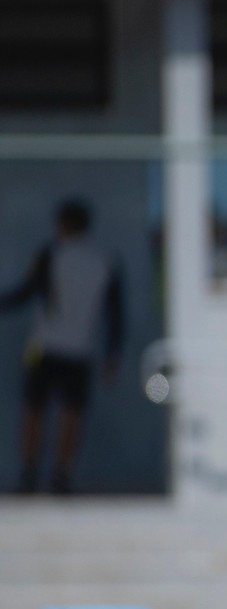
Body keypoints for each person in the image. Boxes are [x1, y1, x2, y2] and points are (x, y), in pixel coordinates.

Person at [0, 198, 124, 494]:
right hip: (80, 350)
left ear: (63, 224)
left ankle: (30, 473)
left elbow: (25, 293)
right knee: (71, 414)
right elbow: (115, 313)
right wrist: (112, 353)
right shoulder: (105, 259)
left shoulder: (52, 254)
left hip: (42, 347)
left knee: (34, 410)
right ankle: (60, 475)